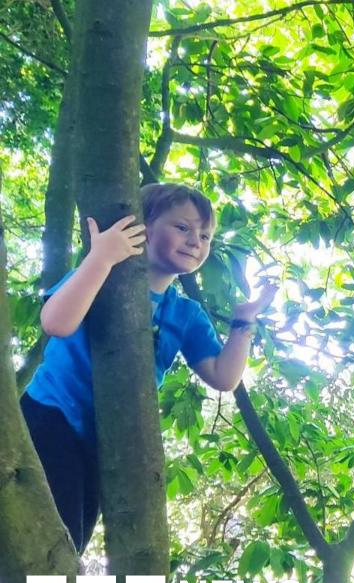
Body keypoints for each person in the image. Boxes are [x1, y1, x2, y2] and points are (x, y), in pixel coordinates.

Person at [21, 182, 277, 554]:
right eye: (183, 227)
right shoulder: (101, 276)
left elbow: (224, 376)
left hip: (104, 442)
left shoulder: (185, 313)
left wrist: (243, 322)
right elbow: (56, 322)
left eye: (205, 235)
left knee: (70, 545)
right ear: (144, 227)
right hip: (50, 416)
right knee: (46, 541)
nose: (195, 241)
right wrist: (101, 258)